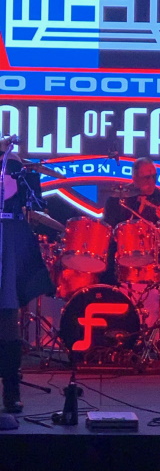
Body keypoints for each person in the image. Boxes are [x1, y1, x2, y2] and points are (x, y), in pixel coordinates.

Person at [102, 157, 160, 346]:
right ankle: (111, 332)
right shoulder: (117, 200)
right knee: (104, 275)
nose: (151, 181)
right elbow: (109, 231)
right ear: (135, 178)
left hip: (152, 255)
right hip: (122, 254)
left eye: (154, 176)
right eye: (147, 177)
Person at [0, 144, 54, 413]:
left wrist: (12, 163)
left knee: (8, 318)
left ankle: (11, 390)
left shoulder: (14, 167)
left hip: (10, 239)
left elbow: (23, 197)